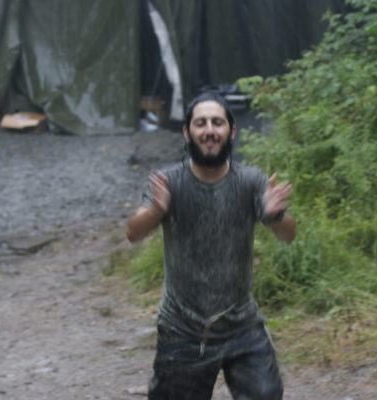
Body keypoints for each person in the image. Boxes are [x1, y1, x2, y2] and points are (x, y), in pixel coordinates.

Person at [126, 92, 297, 399]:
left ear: (232, 131)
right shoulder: (168, 182)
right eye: (200, 123)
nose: (209, 131)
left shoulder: (250, 181)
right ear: (187, 132)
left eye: (217, 123)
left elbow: (288, 235)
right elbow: (133, 233)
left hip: (243, 326)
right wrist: (156, 210)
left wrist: (276, 215)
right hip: (183, 329)